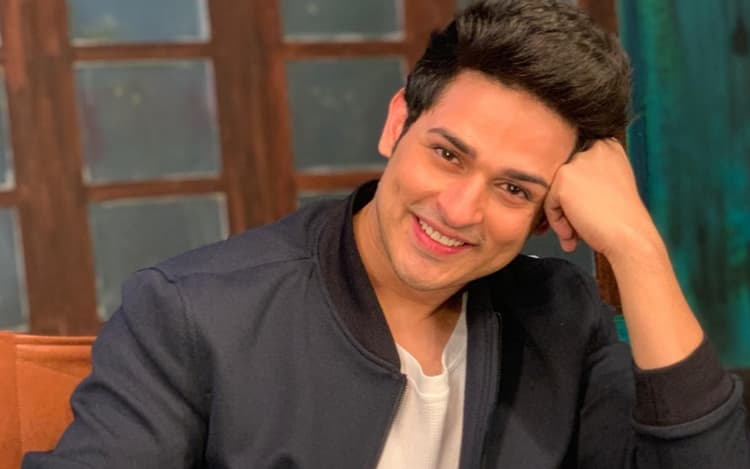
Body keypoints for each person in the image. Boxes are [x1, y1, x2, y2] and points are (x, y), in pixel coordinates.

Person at [23, 1, 749, 468]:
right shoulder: (192, 313)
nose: (459, 209)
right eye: (448, 154)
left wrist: (638, 250)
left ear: (546, 211)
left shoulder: (557, 317)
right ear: (397, 122)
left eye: (514, 189)